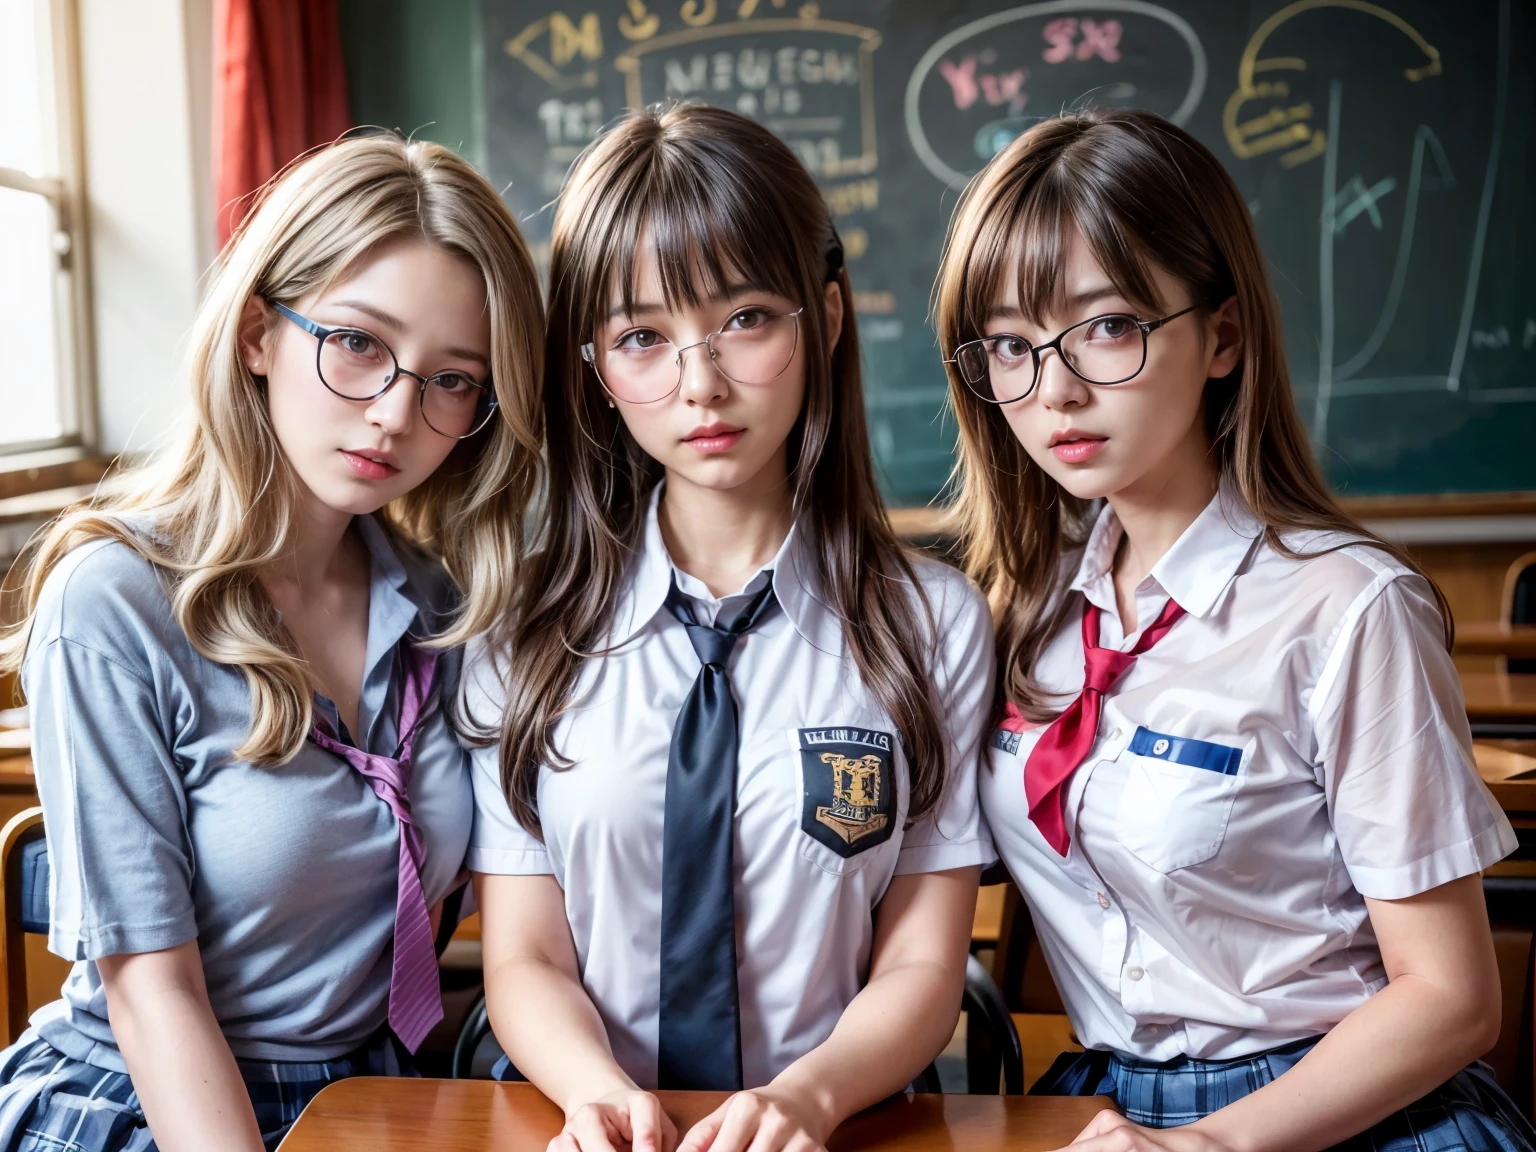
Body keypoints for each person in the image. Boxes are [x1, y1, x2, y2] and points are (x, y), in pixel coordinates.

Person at [935, 106, 1535, 1152]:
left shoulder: (1347, 610)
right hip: (1103, 1110)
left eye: (1108, 327)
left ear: (1221, 337)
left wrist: (1207, 1148)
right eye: (1011, 347)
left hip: (1347, 1110)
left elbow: (1452, 998)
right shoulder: (1015, 620)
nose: (1057, 390)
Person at [463, 103, 993, 1152]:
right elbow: (523, 956)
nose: (700, 383)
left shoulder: (930, 626)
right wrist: (594, 1095)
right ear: (597, 371)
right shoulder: (521, 633)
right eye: (643, 338)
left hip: (838, 1129)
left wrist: (807, 1099)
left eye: (747, 317)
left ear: (826, 320)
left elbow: (926, 966)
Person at [0, 134, 544, 1151]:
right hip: (151, 1103)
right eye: (358, 343)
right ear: (258, 332)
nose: (395, 413)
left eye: (453, 380)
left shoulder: (441, 609)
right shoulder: (114, 602)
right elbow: (151, 994)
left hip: (376, 1104)